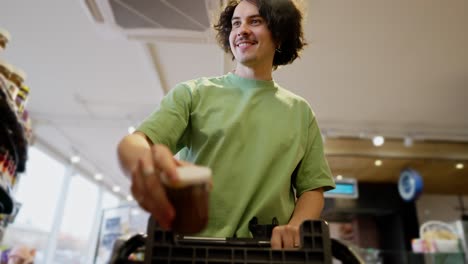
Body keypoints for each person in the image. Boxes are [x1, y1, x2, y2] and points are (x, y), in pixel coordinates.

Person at [117, 0, 335, 249]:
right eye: (235, 23)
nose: (242, 29)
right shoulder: (193, 94)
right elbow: (137, 142)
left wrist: (296, 227)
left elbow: (312, 189)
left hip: (267, 252)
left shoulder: (300, 112)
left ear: (280, 33)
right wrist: (141, 160)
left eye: (255, 21)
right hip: (193, 248)